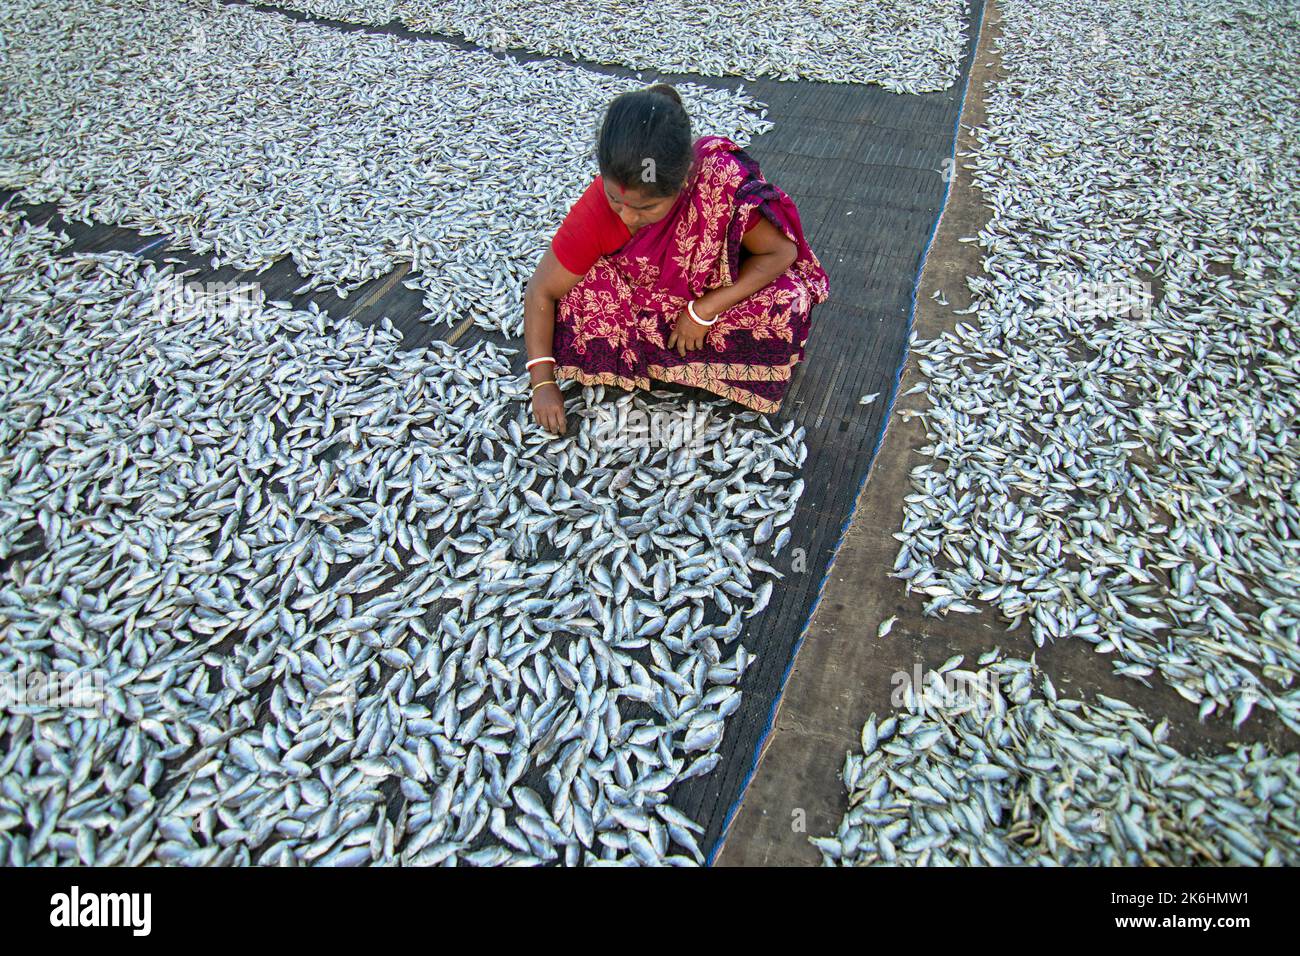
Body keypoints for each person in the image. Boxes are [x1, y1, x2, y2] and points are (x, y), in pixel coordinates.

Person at [523, 84, 829, 435]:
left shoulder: (716, 183)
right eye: (614, 199)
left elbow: (781, 252)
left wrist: (705, 309)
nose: (625, 216)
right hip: (642, 298)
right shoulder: (599, 209)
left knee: (788, 301)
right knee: (576, 296)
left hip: (716, 286)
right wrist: (542, 383)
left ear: (683, 182)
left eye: (646, 208)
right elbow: (540, 292)